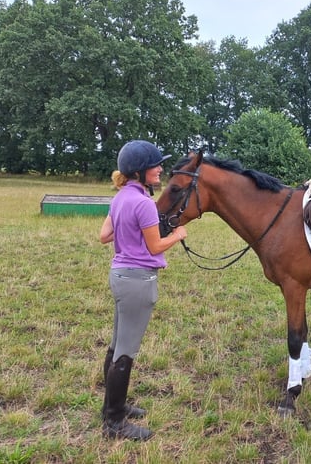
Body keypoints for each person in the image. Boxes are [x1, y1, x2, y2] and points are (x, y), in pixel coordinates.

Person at [98, 140, 188, 441]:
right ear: (139, 172)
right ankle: (114, 422)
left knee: (116, 344)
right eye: (156, 165)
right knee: (126, 351)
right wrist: (177, 234)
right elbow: (155, 246)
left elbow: (104, 236)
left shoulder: (121, 197)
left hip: (119, 274)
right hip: (138, 280)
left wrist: (129, 233)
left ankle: (114, 406)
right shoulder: (144, 203)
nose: (160, 168)